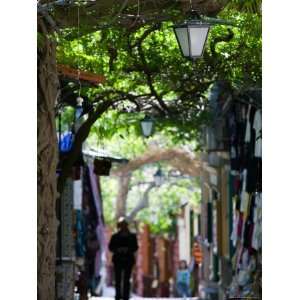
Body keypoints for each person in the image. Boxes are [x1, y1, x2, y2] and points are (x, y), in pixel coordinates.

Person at [108, 217, 138, 300]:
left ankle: (126, 296)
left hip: (128, 260)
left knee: (126, 279)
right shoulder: (115, 236)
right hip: (118, 260)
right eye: (121, 225)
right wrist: (118, 250)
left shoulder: (132, 236)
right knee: (117, 279)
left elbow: (135, 247)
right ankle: (118, 296)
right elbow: (110, 247)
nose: (123, 227)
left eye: (124, 225)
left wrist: (127, 250)